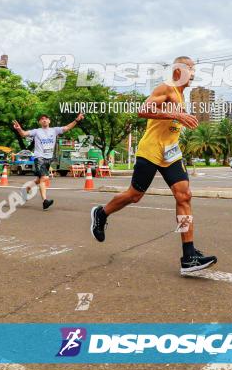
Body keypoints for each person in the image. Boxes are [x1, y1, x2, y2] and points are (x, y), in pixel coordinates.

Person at [90, 56, 217, 274]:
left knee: (184, 196)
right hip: (150, 150)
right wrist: (175, 114)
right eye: (190, 68)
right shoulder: (166, 88)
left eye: (194, 69)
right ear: (178, 70)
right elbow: (143, 110)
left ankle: (188, 256)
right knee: (134, 195)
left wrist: (181, 116)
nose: (194, 72)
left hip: (171, 153)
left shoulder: (181, 95)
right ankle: (101, 213)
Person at [11, 113, 84, 210]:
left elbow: (67, 127)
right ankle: (45, 201)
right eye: (42, 119)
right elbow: (24, 134)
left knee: (39, 179)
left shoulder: (54, 130)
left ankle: (26, 189)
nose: (44, 120)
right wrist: (19, 128)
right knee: (44, 178)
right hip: (39, 158)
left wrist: (77, 120)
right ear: (40, 122)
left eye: (46, 118)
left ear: (49, 121)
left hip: (48, 158)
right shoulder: (36, 131)